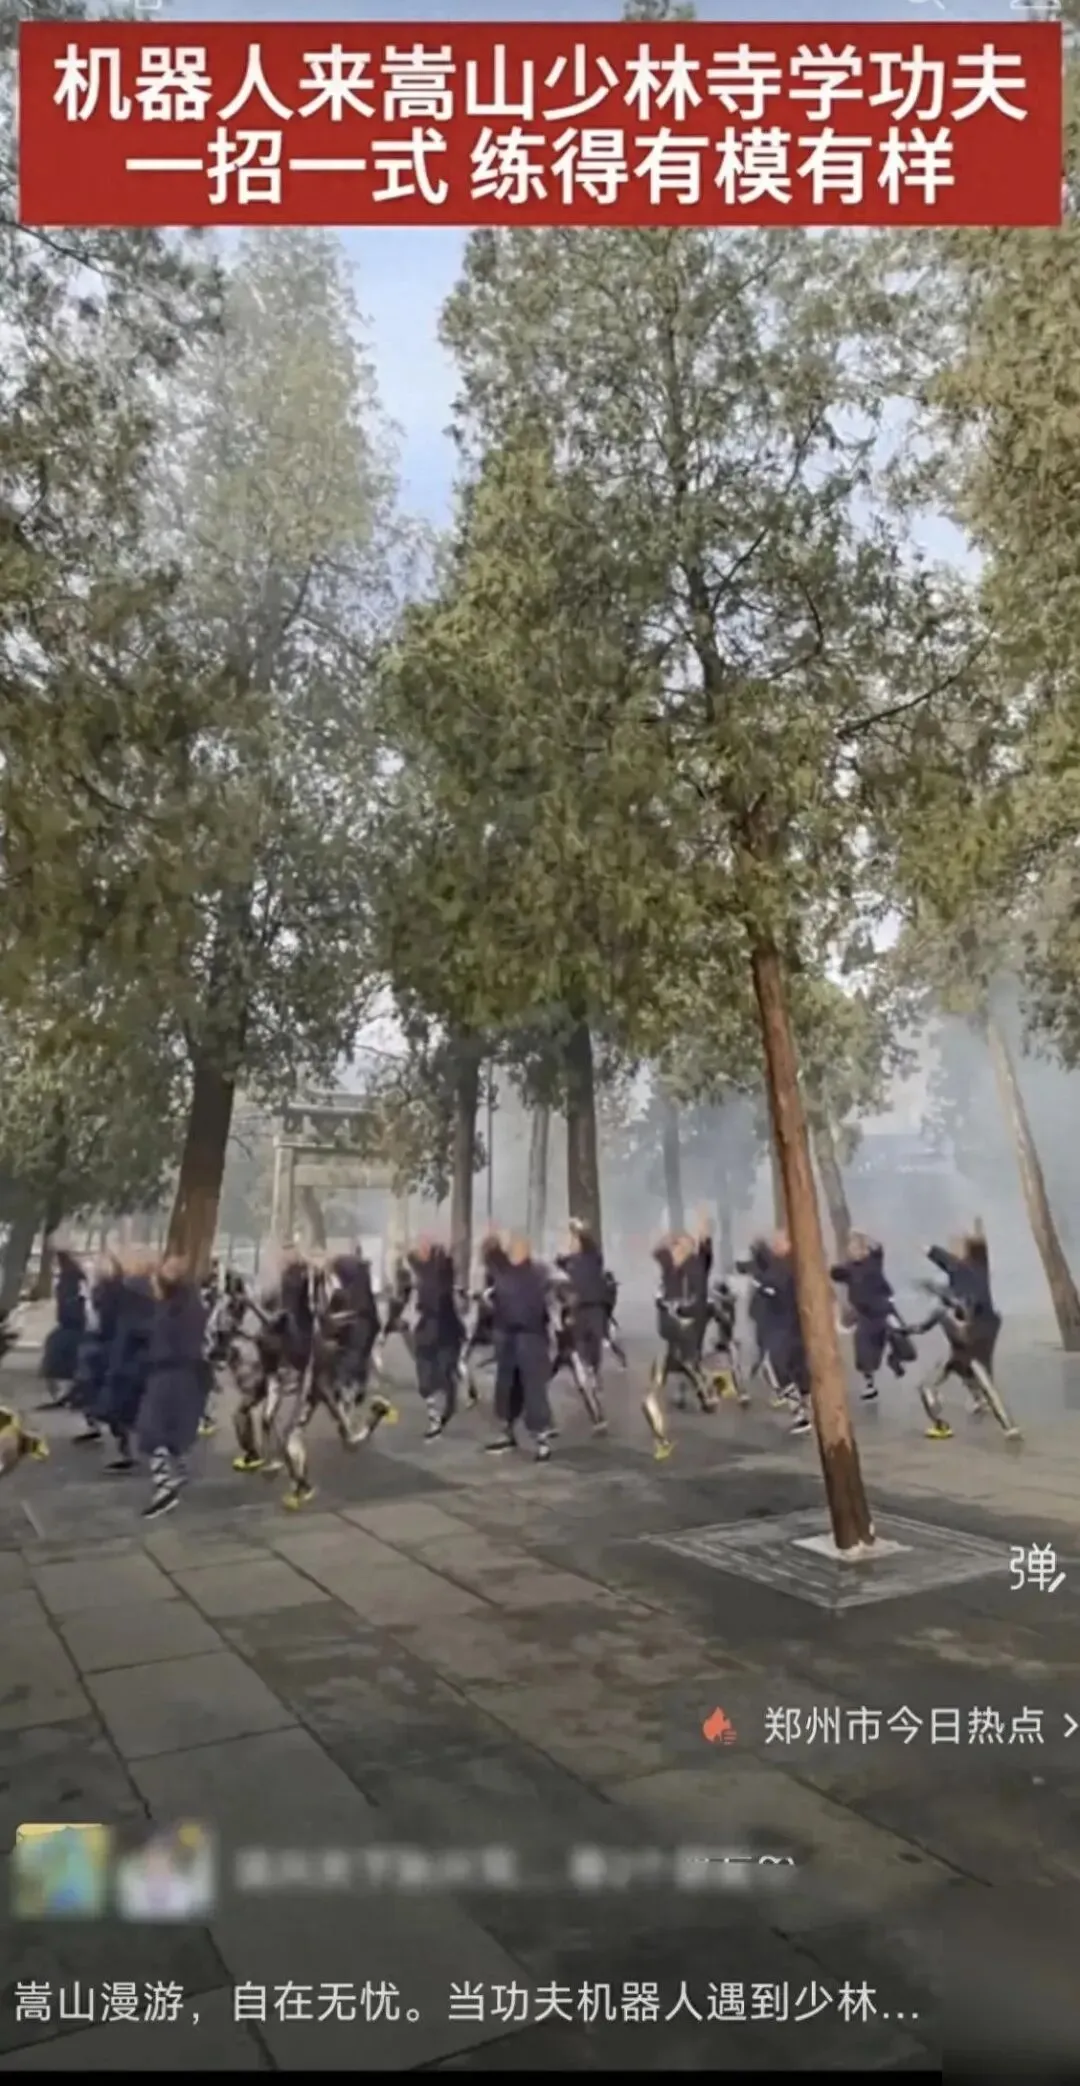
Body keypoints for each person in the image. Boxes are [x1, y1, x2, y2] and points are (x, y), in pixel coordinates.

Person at [910, 1223, 1019, 1442]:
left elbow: (945, 1259)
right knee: (976, 1374)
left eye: (957, 1245)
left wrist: (925, 1247)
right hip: (980, 1329)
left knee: (975, 1373)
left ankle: (999, 1422)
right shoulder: (974, 1267)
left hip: (972, 1331)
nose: (953, 1248)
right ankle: (1005, 1424)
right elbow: (958, 1259)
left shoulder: (963, 1267)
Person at [137, 1256, 208, 1519]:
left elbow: (165, 1341)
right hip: (184, 1376)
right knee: (171, 1430)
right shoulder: (189, 1305)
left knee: (152, 1429)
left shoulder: (173, 1309)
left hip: (169, 1376)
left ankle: (165, 1487)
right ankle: (178, 1472)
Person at [485, 1234, 555, 1461]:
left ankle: (541, 1439)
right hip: (507, 1337)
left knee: (534, 1388)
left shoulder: (538, 1274)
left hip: (531, 1337)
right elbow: (490, 1254)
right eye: (511, 1248)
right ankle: (506, 1432)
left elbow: (554, 1299)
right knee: (506, 1386)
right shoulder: (503, 1271)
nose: (513, 1252)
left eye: (516, 1248)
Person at [830, 1233, 913, 1403]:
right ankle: (869, 1384)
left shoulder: (874, 1261)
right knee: (864, 1350)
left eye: (857, 1248)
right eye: (851, 1248)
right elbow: (835, 1273)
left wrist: (863, 1236)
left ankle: (895, 1360)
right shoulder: (849, 1269)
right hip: (865, 1315)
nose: (854, 1251)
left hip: (884, 1310)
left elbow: (878, 1247)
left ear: (864, 1249)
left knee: (900, 1338)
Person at [553, 1218, 609, 1431]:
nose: (571, 1243)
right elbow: (557, 1269)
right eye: (571, 1240)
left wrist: (578, 1229)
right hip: (576, 1313)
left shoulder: (593, 1258)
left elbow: (590, 1244)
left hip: (594, 1310)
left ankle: (594, 1374)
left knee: (594, 1350)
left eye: (574, 1240)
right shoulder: (568, 1263)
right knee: (579, 1355)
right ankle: (591, 1390)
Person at [409, 1236, 465, 1440]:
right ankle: (434, 1417)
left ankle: (444, 1408)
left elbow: (446, 1272)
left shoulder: (443, 1275)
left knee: (443, 1374)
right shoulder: (422, 1274)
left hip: (445, 1330)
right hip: (427, 1330)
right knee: (426, 1378)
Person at [38, 1246, 86, 1409]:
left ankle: (64, 1391)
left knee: (57, 1351)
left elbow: (70, 1306)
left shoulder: (69, 1281)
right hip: (71, 1324)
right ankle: (64, 1391)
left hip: (72, 1325)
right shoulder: (73, 1279)